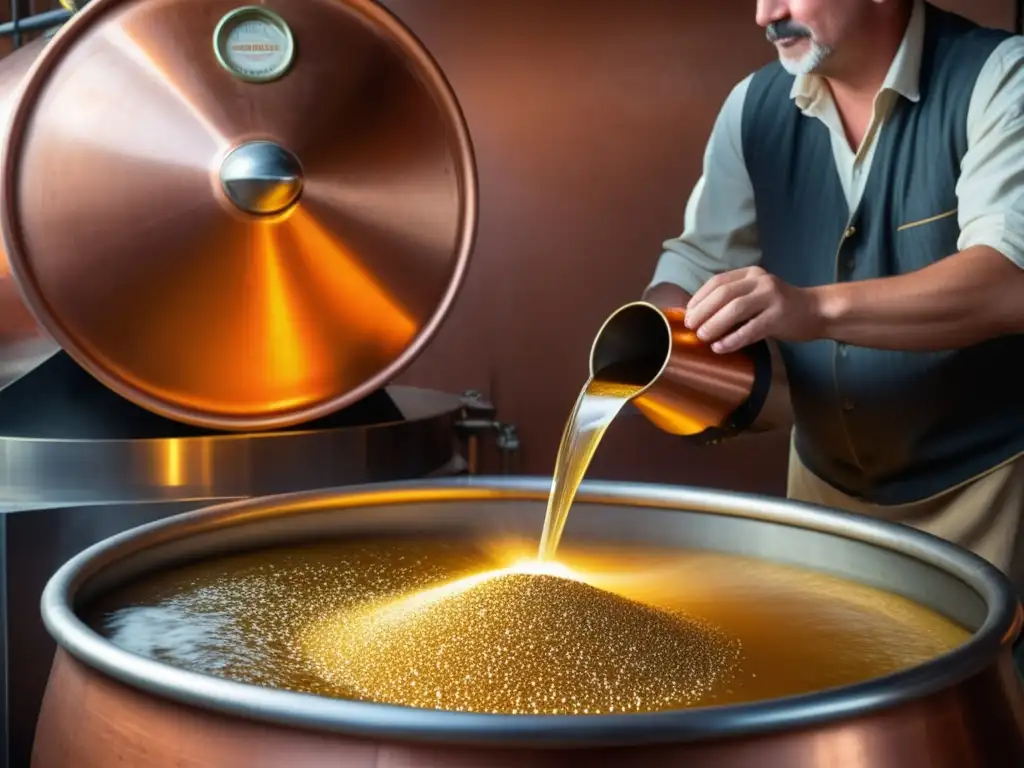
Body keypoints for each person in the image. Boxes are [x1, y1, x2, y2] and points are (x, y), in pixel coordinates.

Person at [644, 0, 1024, 594]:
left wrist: (813, 310)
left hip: (986, 500)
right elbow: (699, 258)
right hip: (823, 498)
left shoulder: (1001, 77)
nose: (765, 14)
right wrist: (659, 329)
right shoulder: (753, 105)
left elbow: (1007, 285)